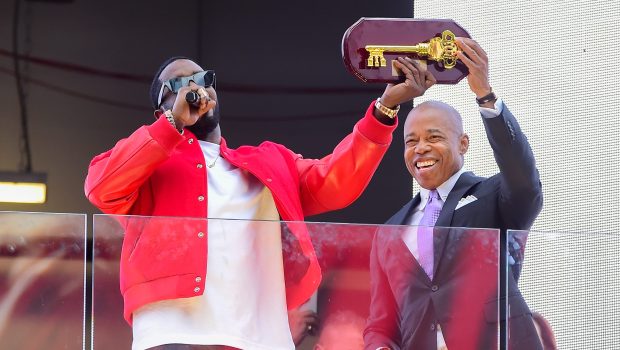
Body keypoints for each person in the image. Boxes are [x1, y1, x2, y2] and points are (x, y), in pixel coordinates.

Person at [84, 55, 433, 350]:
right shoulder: (148, 162)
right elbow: (101, 187)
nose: (194, 88)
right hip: (172, 333)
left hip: (261, 338)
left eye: (202, 78)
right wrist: (172, 125)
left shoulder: (268, 162)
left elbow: (338, 181)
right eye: (178, 85)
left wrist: (385, 107)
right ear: (161, 107)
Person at [364, 37, 544, 350]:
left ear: (463, 144)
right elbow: (382, 325)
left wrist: (485, 97)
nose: (421, 148)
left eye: (434, 137)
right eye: (411, 141)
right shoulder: (389, 232)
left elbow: (525, 182)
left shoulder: (492, 198)